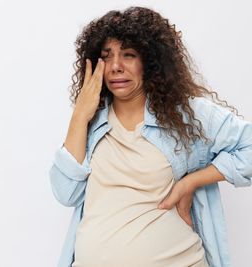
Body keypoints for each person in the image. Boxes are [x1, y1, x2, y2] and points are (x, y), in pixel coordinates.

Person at [49, 6, 252, 267]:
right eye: (106, 56)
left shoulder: (186, 116)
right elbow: (66, 193)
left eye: (129, 55)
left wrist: (192, 181)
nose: (115, 67)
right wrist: (79, 115)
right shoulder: (91, 122)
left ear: (151, 62)